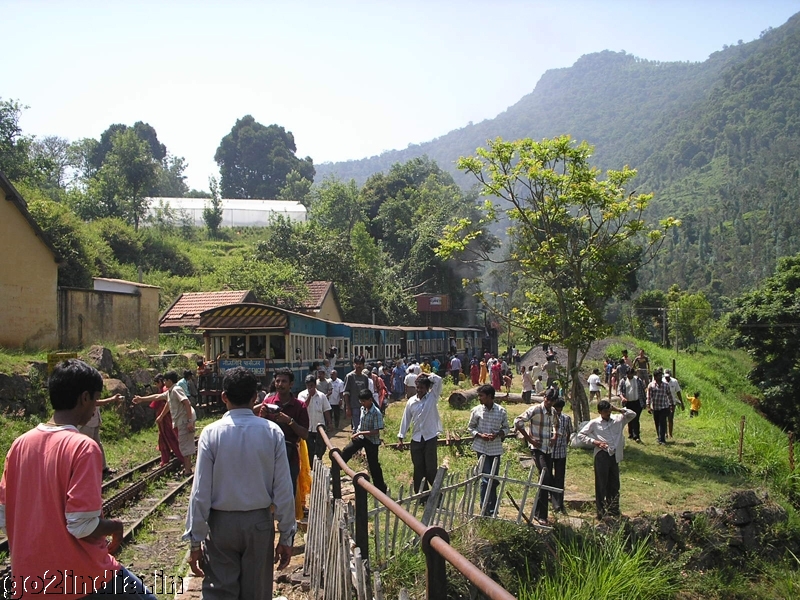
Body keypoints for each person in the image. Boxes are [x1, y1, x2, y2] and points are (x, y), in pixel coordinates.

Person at [0, 359, 157, 599]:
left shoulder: (19, 445)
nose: (95, 407)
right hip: (81, 577)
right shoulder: (83, 447)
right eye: (95, 399)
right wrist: (116, 526)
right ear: (85, 398)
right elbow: (82, 526)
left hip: (28, 581)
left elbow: (4, 515)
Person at [184, 367, 295, 600]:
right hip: (259, 524)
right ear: (255, 397)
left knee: (219, 592)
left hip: (220, 526)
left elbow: (200, 492)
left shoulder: (211, 434)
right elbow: (284, 489)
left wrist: (195, 541)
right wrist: (286, 535)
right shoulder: (272, 432)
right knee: (256, 592)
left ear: (224, 397)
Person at [577, 400, 637, 521]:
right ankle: (601, 511)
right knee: (601, 483)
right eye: (605, 412)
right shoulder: (595, 423)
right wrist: (595, 442)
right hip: (602, 455)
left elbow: (632, 414)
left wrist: (617, 409)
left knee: (614, 483)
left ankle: (613, 509)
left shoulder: (618, 419)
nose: (608, 414)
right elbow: (581, 435)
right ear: (600, 412)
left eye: (609, 411)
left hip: (614, 455)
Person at [256, 367, 309, 495]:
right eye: (277, 381)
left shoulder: (299, 406)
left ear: (291, 384)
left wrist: (289, 421)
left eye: (284, 381)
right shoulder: (268, 403)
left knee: (288, 491)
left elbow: (305, 434)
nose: (280, 384)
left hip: (290, 455)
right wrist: (262, 416)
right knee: (268, 490)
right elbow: (259, 431)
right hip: (269, 454)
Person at [133, 370, 196, 476]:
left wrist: (189, 421)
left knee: (185, 445)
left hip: (185, 420)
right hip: (182, 420)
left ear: (170, 381)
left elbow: (187, 403)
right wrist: (141, 399)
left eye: (165, 380)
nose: (164, 382)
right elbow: (157, 397)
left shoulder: (176, 389)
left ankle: (188, 470)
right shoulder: (170, 391)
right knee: (184, 445)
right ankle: (187, 468)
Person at [514, 387, 559, 524]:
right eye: (548, 399)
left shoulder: (553, 411)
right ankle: (541, 515)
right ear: (544, 397)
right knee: (545, 476)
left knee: (545, 479)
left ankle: (539, 512)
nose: (549, 402)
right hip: (537, 448)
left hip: (548, 449)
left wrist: (555, 435)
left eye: (552, 400)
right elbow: (518, 421)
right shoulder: (535, 409)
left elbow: (556, 424)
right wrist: (530, 439)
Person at [467, 384, 509, 516]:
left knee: (494, 479)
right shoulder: (476, 410)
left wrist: (498, 434)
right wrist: (480, 435)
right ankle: (484, 510)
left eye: (481, 396)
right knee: (486, 479)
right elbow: (470, 428)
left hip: (495, 449)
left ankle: (493, 509)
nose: (479, 398)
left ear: (490, 396)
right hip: (481, 448)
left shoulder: (501, 411)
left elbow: (506, 428)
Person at [397, 374, 442, 495]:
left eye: (422, 387)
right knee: (418, 468)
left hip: (430, 438)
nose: (419, 390)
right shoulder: (411, 401)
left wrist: (426, 375)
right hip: (416, 439)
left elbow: (438, 380)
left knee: (431, 468)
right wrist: (401, 437)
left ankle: (437, 494)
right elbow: (406, 419)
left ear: (427, 388)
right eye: (417, 387)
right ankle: (422, 496)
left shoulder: (432, 397)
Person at [341, 389, 388, 494]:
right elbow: (361, 424)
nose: (362, 403)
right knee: (347, 450)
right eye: (360, 401)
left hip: (372, 441)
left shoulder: (376, 413)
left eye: (364, 401)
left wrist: (360, 433)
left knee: (373, 465)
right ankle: (336, 468)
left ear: (370, 400)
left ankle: (381, 489)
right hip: (361, 437)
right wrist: (357, 432)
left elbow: (376, 431)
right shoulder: (363, 408)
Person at [79, 392, 124, 477]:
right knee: (87, 448)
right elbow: (95, 402)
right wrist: (112, 399)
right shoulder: (85, 392)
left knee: (98, 445)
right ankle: (87, 472)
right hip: (87, 424)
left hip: (94, 421)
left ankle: (103, 468)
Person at [298, 374, 333, 468]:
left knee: (321, 447)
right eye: (308, 385)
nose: (310, 387)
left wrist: (329, 423)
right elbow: (303, 407)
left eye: (312, 385)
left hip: (319, 427)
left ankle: (318, 462)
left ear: (315, 385)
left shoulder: (322, 396)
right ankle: (311, 466)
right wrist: (309, 396)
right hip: (307, 428)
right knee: (309, 449)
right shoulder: (301, 395)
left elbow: (326, 410)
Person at [550, 398, 573, 514]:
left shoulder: (566, 418)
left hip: (561, 452)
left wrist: (565, 443)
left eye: (559, 409)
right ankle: (552, 499)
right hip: (549, 452)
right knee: (548, 476)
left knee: (560, 478)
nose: (558, 412)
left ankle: (559, 503)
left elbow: (569, 432)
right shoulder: (548, 418)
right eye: (556, 409)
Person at [343, 356, 376, 431]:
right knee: (357, 427)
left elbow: (367, 393)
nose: (358, 366)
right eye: (356, 364)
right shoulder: (350, 376)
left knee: (364, 426)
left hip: (364, 407)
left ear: (363, 365)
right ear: (354, 365)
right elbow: (346, 393)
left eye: (360, 364)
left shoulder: (365, 377)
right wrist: (348, 407)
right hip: (354, 406)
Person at [646, 368, 674, 446]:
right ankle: (659, 437)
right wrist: (648, 406)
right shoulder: (651, 385)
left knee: (662, 422)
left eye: (661, 376)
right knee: (657, 422)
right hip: (655, 408)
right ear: (655, 377)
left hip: (664, 407)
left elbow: (669, 395)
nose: (660, 377)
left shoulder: (666, 385)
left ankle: (662, 439)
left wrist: (671, 405)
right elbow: (649, 396)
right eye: (658, 376)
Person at [618, 369, 646, 443]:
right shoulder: (623, 381)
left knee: (636, 418)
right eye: (628, 374)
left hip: (637, 402)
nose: (629, 376)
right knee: (629, 418)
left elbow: (643, 391)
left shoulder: (638, 380)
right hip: (628, 403)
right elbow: (619, 391)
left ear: (633, 374)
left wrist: (644, 402)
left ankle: (636, 436)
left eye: (630, 374)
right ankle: (631, 434)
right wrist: (622, 398)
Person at [664, 369, 685, 438]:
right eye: (666, 377)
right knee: (664, 418)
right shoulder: (662, 381)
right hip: (663, 402)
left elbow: (678, 392)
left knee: (670, 418)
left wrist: (681, 402)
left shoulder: (674, 381)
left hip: (672, 402)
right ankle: (665, 433)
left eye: (668, 377)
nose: (667, 378)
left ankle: (670, 433)